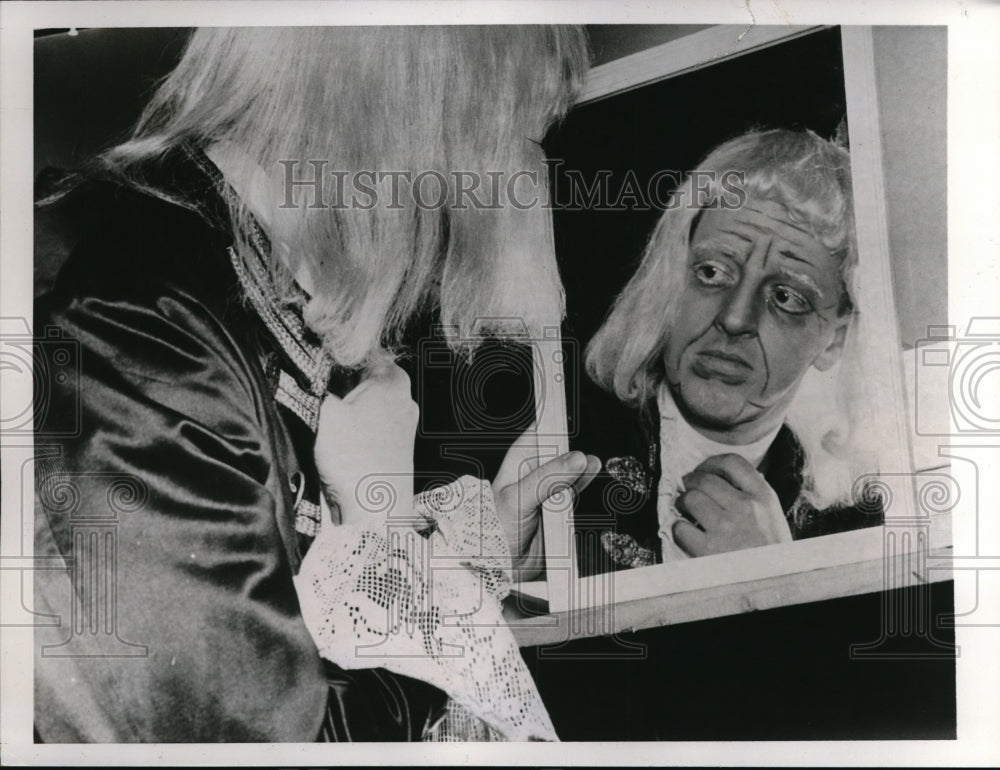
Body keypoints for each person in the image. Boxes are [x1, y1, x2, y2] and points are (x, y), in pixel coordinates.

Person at [33, 26, 597, 742]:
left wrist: (463, 553)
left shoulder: (228, 269)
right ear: (401, 120)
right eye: (491, 148)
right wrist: (384, 525)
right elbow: (267, 738)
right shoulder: (137, 323)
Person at [577, 128, 884, 575]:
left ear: (834, 340)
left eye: (786, 298)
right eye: (712, 271)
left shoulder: (858, 526)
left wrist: (776, 585)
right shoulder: (562, 437)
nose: (736, 318)